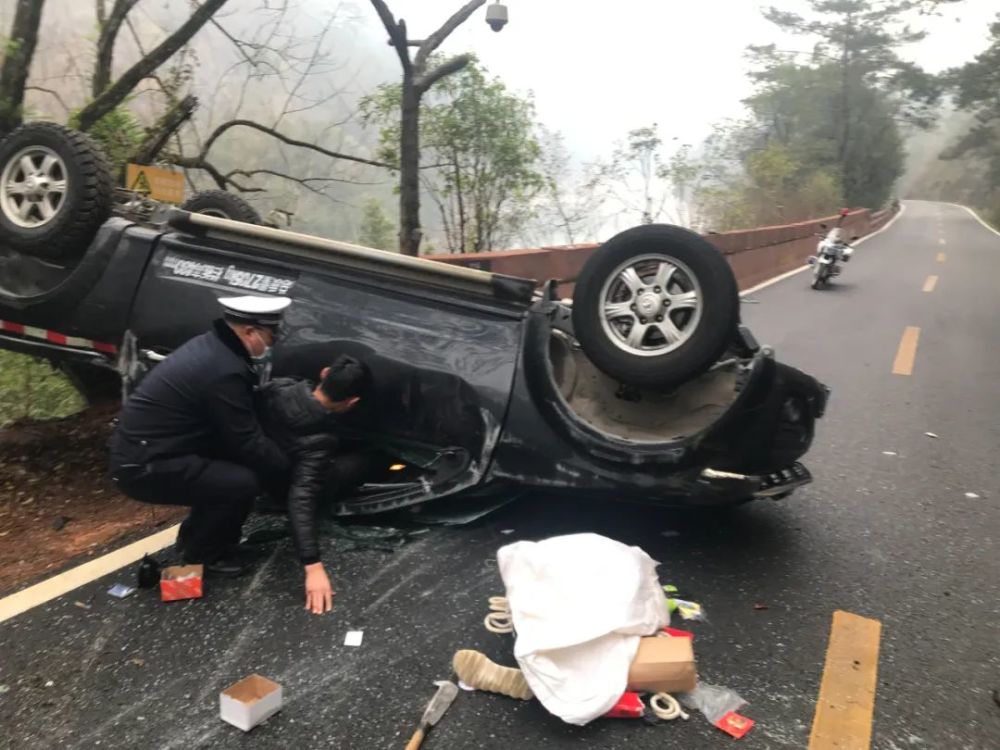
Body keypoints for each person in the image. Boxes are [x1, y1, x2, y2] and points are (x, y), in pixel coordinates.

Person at [109, 295, 292, 577]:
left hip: (149, 451)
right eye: (272, 335)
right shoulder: (224, 370)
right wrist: (287, 472)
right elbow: (247, 441)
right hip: (145, 466)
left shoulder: (213, 347)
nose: (273, 342)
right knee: (242, 482)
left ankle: (196, 538)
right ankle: (206, 555)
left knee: (224, 470)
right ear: (249, 332)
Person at [257, 355, 371, 615]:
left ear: (324, 373)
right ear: (352, 402)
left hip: (264, 462)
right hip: (285, 479)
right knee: (365, 460)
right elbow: (301, 498)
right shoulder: (321, 441)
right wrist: (312, 565)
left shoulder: (278, 387)